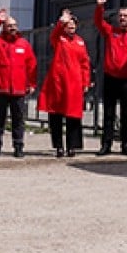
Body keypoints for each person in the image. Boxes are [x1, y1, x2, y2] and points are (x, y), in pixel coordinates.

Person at [92, 0, 127, 155]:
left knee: (126, 114)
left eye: (125, 16)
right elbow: (98, 22)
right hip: (110, 78)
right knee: (108, 113)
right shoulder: (111, 32)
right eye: (120, 16)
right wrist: (100, 7)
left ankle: (125, 145)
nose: (122, 18)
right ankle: (106, 145)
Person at [39, 9, 92, 157]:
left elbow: (85, 63)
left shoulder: (80, 42)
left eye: (73, 25)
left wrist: (86, 82)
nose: (71, 27)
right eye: (68, 25)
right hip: (58, 83)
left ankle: (72, 146)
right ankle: (59, 147)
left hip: (74, 84)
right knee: (56, 116)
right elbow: (54, 34)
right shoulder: (58, 39)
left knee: (73, 116)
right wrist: (61, 21)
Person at [0, 9, 36, 158]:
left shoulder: (24, 44)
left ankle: (18, 146)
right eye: (9, 25)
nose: (13, 28)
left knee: (18, 119)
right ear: (4, 27)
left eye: (14, 25)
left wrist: (31, 84)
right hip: (0, 88)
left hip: (18, 89)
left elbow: (31, 65)